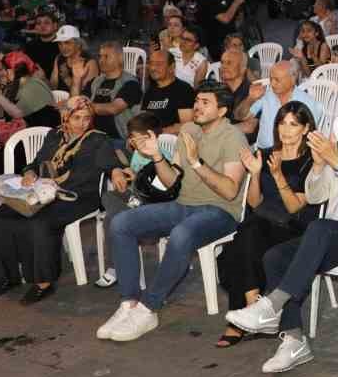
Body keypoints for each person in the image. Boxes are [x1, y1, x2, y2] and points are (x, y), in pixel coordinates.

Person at [225, 104, 338, 373]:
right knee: (276, 256)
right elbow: (315, 196)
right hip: (334, 235)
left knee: (320, 227)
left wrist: (336, 162)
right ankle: (293, 340)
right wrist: (319, 165)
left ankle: (272, 304)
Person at [95, 84, 248, 343]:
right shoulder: (188, 130)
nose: (197, 106)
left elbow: (230, 191)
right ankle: (129, 303)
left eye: (205, 102)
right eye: (197, 101)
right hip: (182, 204)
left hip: (219, 211)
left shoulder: (233, 137)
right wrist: (157, 156)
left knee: (181, 234)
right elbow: (172, 181)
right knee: (121, 223)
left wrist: (197, 162)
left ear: (221, 110)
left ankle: (149, 308)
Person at [0, 96, 116, 304]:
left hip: (77, 196)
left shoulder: (98, 140)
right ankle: (6, 278)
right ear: (65, 117)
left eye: (86, 118)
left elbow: (111, 164)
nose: (82, 123)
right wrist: (29, 174)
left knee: (40, 222)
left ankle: (43, 283)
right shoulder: (55, 135)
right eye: (76, 118)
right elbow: (36, 163)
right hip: (44, 192)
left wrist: (117, 171)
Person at [210, 102, 320, 347]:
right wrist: (257, 173)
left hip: (295, 227)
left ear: (305, 129)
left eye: (293, 124)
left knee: (244, 239)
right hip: (264, 222)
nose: (286, 129)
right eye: (282, 123)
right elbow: (254, 201)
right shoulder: (268, 152)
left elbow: (295, 207)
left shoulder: (311, 160)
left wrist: (279, 175)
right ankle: (254, 307)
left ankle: (244, 316)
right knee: (242, 241)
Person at [88, 40, 141, 141]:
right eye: (100, 56)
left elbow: (113, 108)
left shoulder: (131, 83)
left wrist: (87, 106)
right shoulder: (96, 81)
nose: (101, 60)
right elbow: (80, 99)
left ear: (120, 58)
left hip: (118, 139)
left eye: (106, 56)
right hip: (93, 136)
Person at [136, 49, 196, 133]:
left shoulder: (184, 90)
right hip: (151, 140)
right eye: (151, 63)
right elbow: (144, 121)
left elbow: (187, 126)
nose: (153, 68)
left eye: (159, 64)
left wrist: (158, 133)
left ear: (172, 67)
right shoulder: (150, 92)